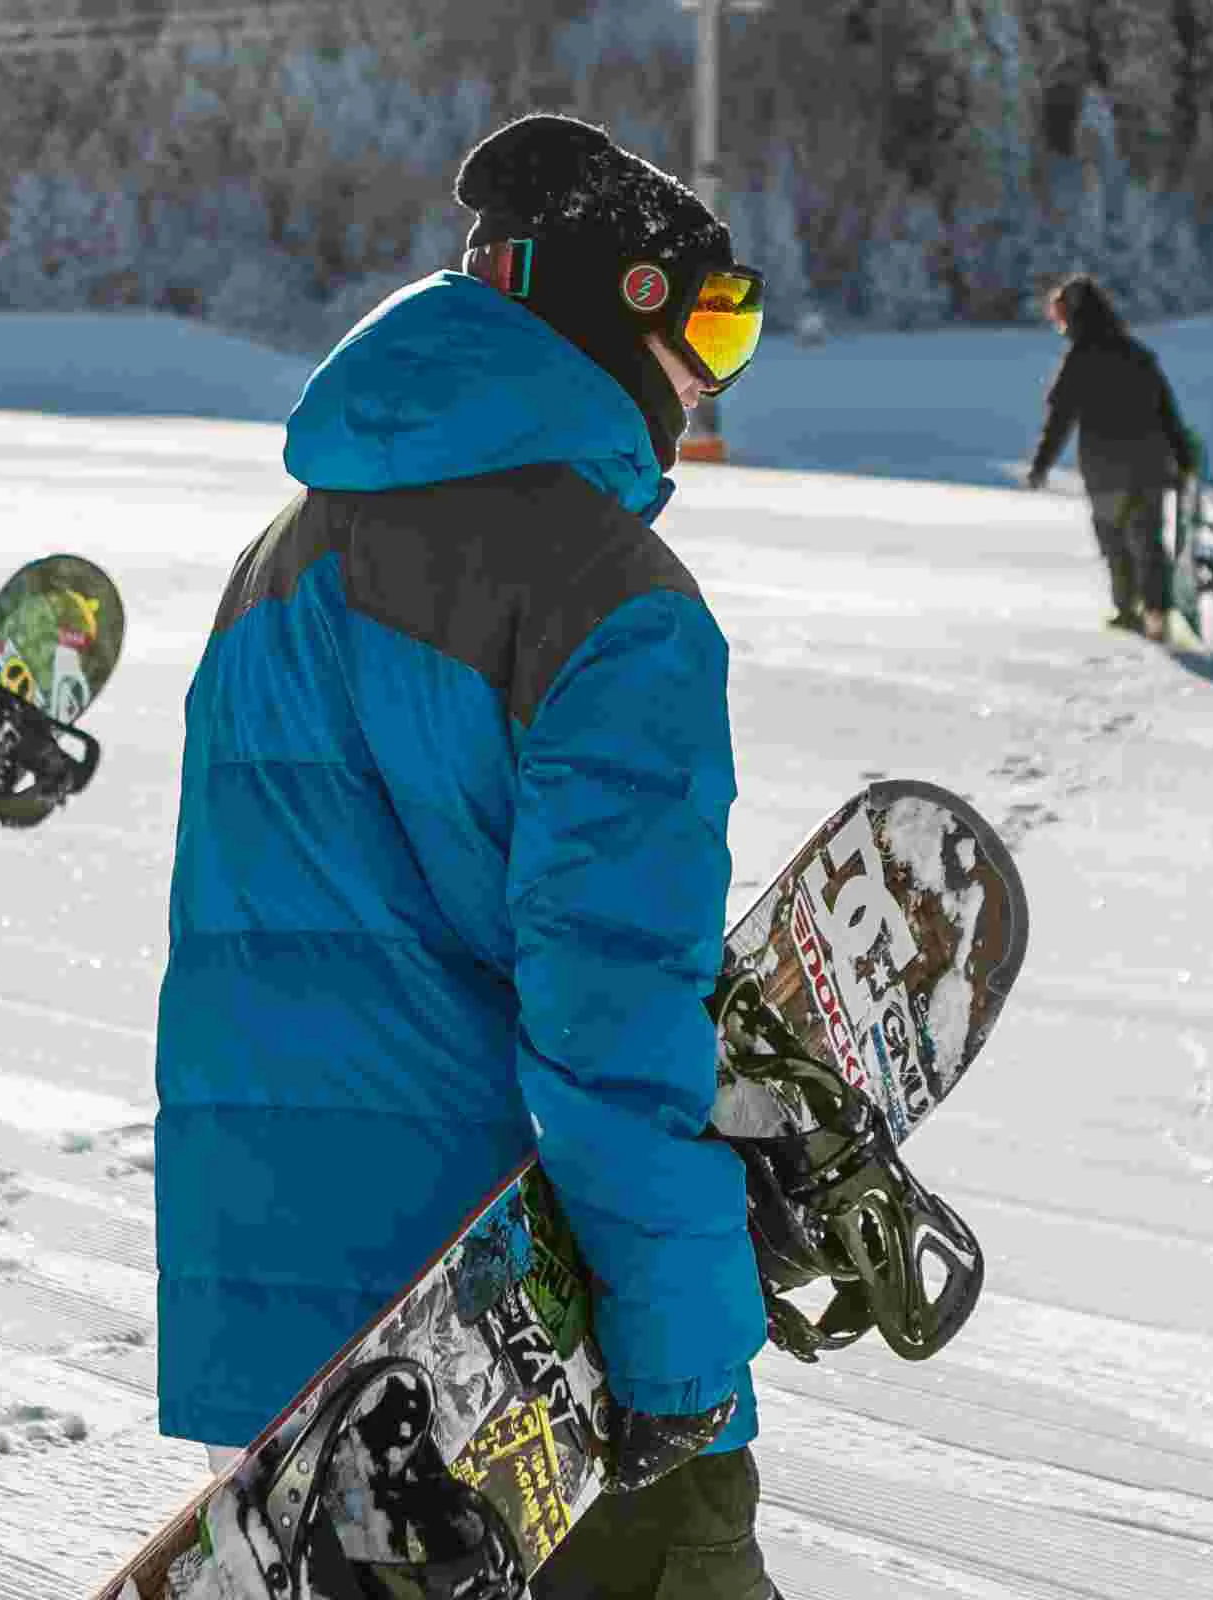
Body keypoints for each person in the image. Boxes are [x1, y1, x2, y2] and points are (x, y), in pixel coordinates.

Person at [154, 115, 779, 1598]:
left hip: (303, 1348)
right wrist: (679, 1344)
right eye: (713, 318)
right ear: (610, 309)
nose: (714, 372)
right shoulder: (611, 595)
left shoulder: (283, 553)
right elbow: (611, 1010)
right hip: (522, 1351)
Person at [1026, 274, 1195, 642]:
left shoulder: (1079, 360)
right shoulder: (1137, 355)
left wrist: (1041, 465)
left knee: (1115, 541)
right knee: (1147, 542)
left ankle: (1127, 611)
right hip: (1149, 466)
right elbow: (1167, 413)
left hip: (1105, 468)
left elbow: (1060, 419)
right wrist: (1184, 460)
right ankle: (1155, 616)